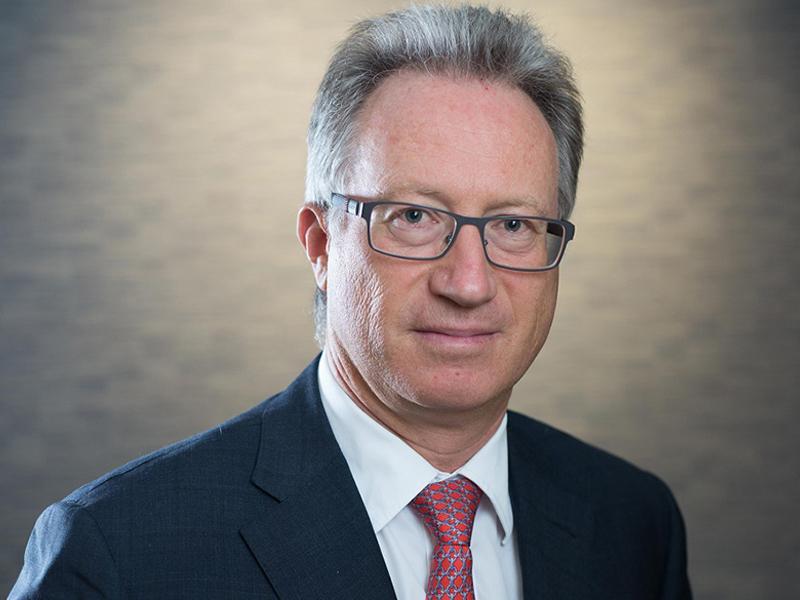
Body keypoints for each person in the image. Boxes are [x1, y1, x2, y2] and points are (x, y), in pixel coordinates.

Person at [10, 5, 692, 599]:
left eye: (513, 225)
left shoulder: (633, 524)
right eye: (413, 217)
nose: (468, 284)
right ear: (320, 244)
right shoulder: (120, 549)